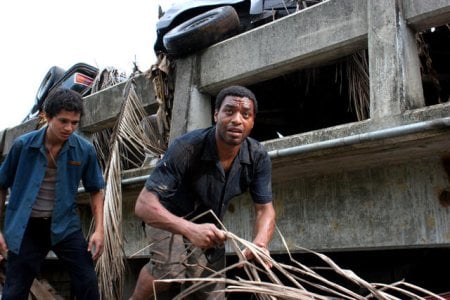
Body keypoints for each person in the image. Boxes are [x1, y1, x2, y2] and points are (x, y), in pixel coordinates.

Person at [131, 85, 276, 299]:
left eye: (246, 114)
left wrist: (260, 242)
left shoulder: (258, 156)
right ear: (216, 114)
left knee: (211, 294)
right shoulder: (187, 147)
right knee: (170, 271)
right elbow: (143, 205)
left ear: (253, 121)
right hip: (167, 214)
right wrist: (189, 229)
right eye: (229, 111)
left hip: (209, 223)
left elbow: (265, 210)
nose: (237, 120)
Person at [0, 88, 105, 299]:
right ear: (47, 117)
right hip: (27, 228)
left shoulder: (84, 150)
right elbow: (1, 185)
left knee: (88, 281)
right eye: (63, 121)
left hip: (64, 225)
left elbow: (95, 189)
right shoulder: (23, 146)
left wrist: (99, 230)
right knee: (14, 291)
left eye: (75, 123)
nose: (69, 128)